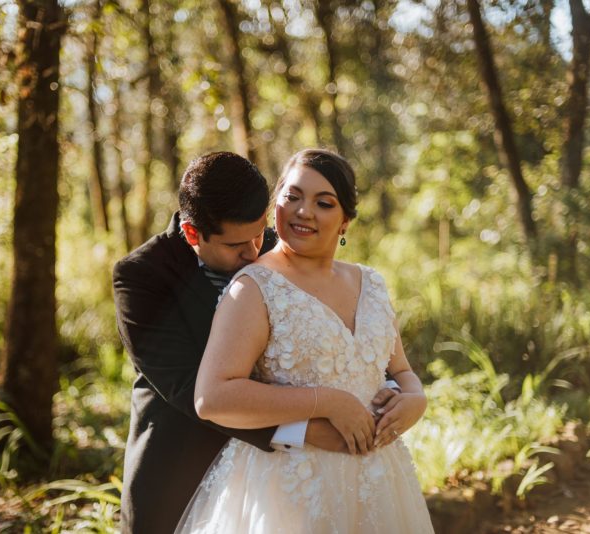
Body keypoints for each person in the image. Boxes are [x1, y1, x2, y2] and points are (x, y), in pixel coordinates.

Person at [113, 152, 400, 534]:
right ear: (192, 233)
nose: (254, 253)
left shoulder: (275, 245)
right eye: (237, 246)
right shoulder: (141, 275)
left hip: (286, 485)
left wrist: (395, 393)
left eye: (258, 234)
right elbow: (187, 390)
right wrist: (306, 429)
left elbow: (334, 335)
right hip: (180, 467)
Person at [176, 149, 434, 533]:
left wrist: (416, 400)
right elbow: (212, 397)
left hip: (380, 482)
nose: (303, 211)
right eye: (292, 197)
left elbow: (399, 369)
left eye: (323, 202)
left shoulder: (370, 284)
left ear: (345, 221)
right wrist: (327, 402)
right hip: (290, 488)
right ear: (274, 206)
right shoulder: (254, 287)